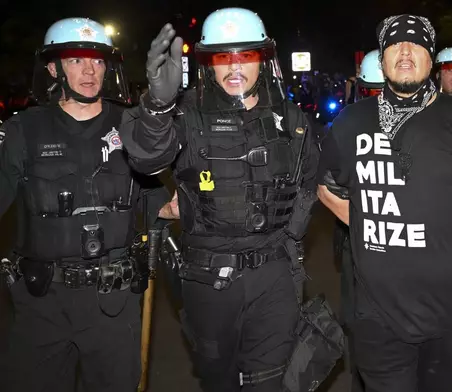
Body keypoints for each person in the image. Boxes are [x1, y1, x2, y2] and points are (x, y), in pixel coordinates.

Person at [119, 7, 319, 391]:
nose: (234, 67)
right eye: (223, 57)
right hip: (207, 280)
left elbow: (310, 178)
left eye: (244, 55)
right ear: (208, 64)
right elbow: (146, 158)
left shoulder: (292, 118)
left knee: (272, 383)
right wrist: (157, 107)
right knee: (218, 380)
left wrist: (292, 235)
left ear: (263, 58)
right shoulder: (184, 114)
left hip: (274, 277)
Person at [317, 14, 452, 392]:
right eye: (394, 45)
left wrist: (441, 217)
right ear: (381, 59)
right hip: (376, 313)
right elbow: (327, 185)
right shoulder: (351, 122)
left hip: (444, 312)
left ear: (430, 60)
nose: (404, 51)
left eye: (415, 44)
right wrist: (372, 219)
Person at [0, 18, 172, 392]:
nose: (89, 70)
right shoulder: (22, 130)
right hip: (41, 302)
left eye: (96, 60)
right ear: (53, 68)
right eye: (76, 60)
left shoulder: (129, 125)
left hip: (113, 303)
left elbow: (162, 204)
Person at [332, 48, 385, 392]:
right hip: (359, 247)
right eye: (373, 92)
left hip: (408, 253)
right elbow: (329, 186)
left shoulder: (425, 129)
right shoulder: (348, 127)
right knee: (360, 327)